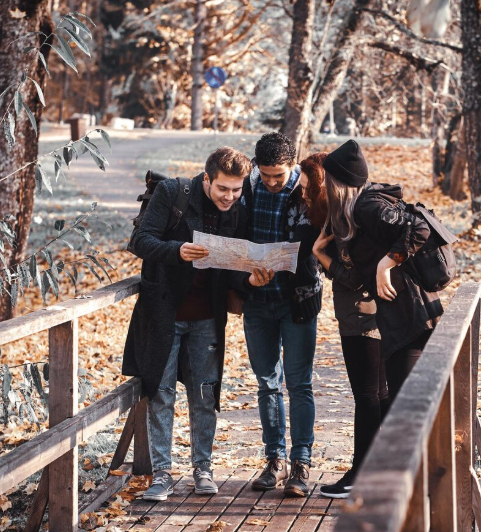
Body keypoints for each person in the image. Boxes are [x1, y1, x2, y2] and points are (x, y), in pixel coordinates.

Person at [122, 147, 273, 502]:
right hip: (163, 314)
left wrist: (250, 281)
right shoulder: (172, 192)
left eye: (236, 190)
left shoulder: (238, 211)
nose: (230, 197)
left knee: (205, 394)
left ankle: (202, 469)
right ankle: (162, 474)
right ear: (206, 179)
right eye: (223, 189)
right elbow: (140, 241)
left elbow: (233, 270)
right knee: (161, 391)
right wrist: (177, 251)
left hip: (207, 318)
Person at [322, 140, 443, 400]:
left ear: (338, 182)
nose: (323, 184)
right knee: (401, 402)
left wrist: (385, 264)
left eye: (327, 179)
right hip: (400, 315)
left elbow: (419, 228)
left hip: (410, 316)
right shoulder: (361, 207)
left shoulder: (367, 206)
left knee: (404, 405)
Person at [238, 132, 322, 498]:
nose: (273, 182)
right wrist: (245, 276)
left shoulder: (308, 190)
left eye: (280, 175)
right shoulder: (246, 188)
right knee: (267, 383)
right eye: (267, 175)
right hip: (257, 301)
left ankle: (301, 462)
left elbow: (321, 238)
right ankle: (275, 460)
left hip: (297, 300)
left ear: (293, 165)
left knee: (299, 383)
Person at [300, 152, 387, 499]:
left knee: (368, 396)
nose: (302, 194)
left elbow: (355, 277)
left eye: (306, 188)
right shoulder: (349, 212)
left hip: (363, 318)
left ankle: (360, 474)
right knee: (378, 394)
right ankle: (378, 471)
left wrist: (321, 255)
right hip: (372, 315)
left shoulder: (351, 217)